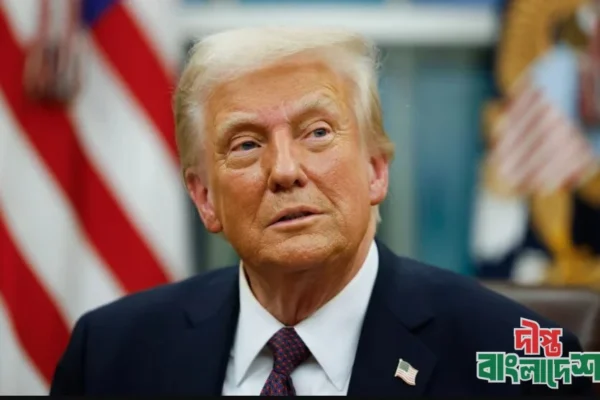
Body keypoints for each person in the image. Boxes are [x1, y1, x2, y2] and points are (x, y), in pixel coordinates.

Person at [49, 27, 594, 396]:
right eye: (246, 144)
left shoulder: (523, 362)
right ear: (205, 198)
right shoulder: (109, 357)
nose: (285, 170)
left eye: (317, 132)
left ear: (376, 170)